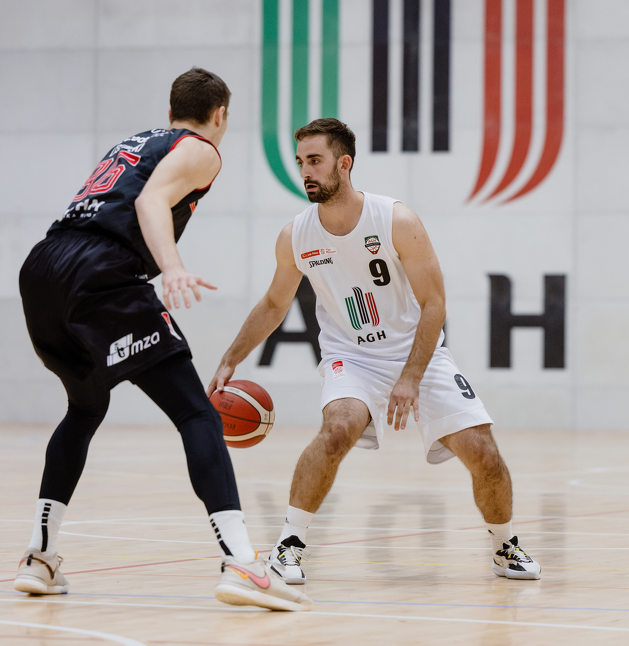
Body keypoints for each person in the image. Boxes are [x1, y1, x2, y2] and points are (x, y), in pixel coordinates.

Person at [13, 67, 310, 613]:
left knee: (85, 408)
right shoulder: (201, 149)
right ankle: (242, 563)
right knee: (196, 413)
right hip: (100, 272)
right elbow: (150, 203)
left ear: (171, 109)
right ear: (220, 114)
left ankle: (40, 555)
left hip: (43, 269)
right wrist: (171, 268)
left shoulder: (136, 142)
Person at [208, 118, 541, 586]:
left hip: (417, 353)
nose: (305, 171)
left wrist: (411, 376)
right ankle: (288, 546)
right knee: (337, 429)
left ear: (344, 164)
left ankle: (504, 546)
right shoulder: (295, 236)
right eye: (301, 162)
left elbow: (434, 304)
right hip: (352, 357)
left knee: (483, 451)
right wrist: (231, 357)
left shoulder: (395, 220)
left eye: (315, 161)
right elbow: (274, 304)